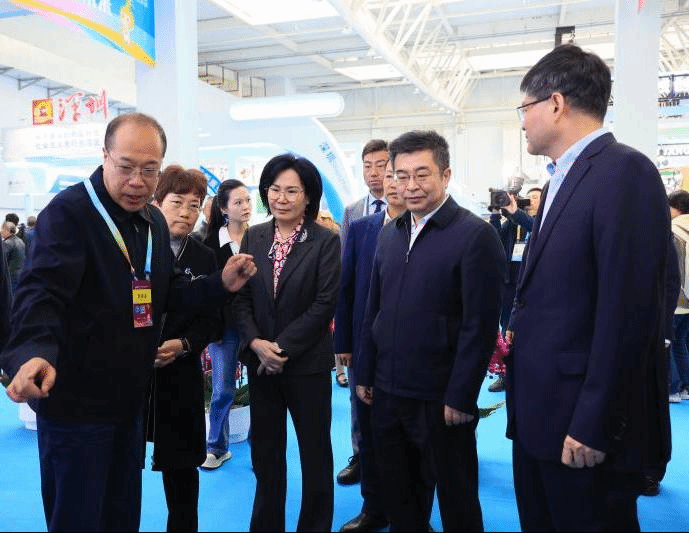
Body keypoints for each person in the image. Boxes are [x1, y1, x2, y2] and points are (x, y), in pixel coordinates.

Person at [0, 112, 257, 532]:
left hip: (128, 400)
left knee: (121, 517)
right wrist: (32, 353)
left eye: (150, 170)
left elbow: (166, 293)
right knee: (79, 519)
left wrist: (220, 284)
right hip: (76, 405)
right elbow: (41, 292)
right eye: (126, 167)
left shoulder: (151, 221)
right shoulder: (69, 213)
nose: (137, 181)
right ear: (104, 156)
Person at [506, 44, 671, 531]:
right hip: (541, 414)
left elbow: (628, 313)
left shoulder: (624, 172)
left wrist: (594, 422)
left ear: (556, 103)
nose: (522, 122)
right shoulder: (560, 178)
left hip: (581, 425)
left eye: (525, 108)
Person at [357, 130, 505, 531]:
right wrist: (366, 373)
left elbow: (480, 325)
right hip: (388, 391)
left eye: (421, 174)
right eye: (401, 175)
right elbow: (374, 309)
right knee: (401, 496)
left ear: (446, 174)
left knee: (457, 498)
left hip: (441, 398)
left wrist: (461, 394)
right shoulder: (390, 233)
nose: (411, 185)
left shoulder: (475, 235)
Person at [234, 153, 340, 532]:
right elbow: (241, 297)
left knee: (315, 454)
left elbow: (324, 303)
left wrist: (278, 348)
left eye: (292, 191)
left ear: (308, 196)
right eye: (274, 189)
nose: (281, 198)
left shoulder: (326, 241)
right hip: (261, 365)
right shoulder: (255, 235)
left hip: (306, 365)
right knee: (266, 454)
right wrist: (255, 343)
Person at [146, 165, 222, 532]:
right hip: (129, 374)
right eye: (177, 202)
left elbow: (214, 320)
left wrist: (184, 344)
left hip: (179, 371)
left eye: (194, 205)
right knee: (116, 463)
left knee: (181, 467)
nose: (186, 213)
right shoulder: (135, 247)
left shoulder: (205, 257)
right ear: (157, 202)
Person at [334, 160, 406, 532]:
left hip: (410, 353)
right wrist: (343, 343)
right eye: (387, 175)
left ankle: (410, 513)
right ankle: (373, 508)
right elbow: (346, 287)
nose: (391, 182)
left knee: (409, 439)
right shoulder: (363, 228)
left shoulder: (427, 228)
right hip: (365, 347)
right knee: (369, 433)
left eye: (397, 174)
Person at [338, 139, 389, 485]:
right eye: (368, 166)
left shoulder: (409, 208)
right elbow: (346, 275)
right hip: (360, 320)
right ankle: (360, 454)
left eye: (381, 165)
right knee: (358, 394)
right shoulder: (353, 212)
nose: (374, 172)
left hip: (396, 317)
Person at [201, 179, 252, 469]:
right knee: (222, 390)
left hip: (256, 326)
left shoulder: (260, 237)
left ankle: (260, 444)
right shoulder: (209, 245)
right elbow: (208, 291)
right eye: (238, 202)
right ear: (223, 208)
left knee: (263, 388)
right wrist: (213, 329)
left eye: (248, 201)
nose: (245, 207)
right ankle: (217, 447)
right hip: (224, 327)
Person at [488, 191, 534, 393]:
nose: (530, 202)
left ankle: (527, 375)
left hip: (531, 285)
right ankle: (505, 374)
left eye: (535, 198)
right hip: (508, 285)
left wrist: (517, 213)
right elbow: (494, 238)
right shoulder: (512, 225)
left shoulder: (543, 224)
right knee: (506, 328)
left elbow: (535, 227)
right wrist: (495, 213)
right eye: (528, 198)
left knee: (528, 331)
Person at [668, 189, 689, 403]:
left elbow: (673, 270)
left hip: (677, 298)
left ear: (677, 208)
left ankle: (673, 389)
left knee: (671, 343)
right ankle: (685, 386)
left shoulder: (674, 230)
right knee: (681, 343)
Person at [1, 221, 26, 294]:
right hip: (19, 273)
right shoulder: (20, 241)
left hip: (10, 275)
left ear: (7, 230)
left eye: (2, 229)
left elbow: (3, 260)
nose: (1, 231)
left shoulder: (7, 243)